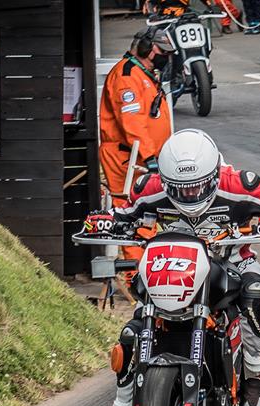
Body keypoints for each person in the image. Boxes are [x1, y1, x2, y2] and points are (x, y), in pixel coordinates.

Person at [88, 129, 260, 406]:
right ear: (164, 181)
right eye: (180, 189)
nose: (190, 194)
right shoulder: (148, 188)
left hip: (231, 259)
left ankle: (255, 385)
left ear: (213, 176)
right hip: (172, 265)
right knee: (130, 336)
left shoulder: (240, 183)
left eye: (196, 186)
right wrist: (105, 221)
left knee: (257, 299)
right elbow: (124, 214)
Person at [99, 26, 175, 262]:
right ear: (146, 49)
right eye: (161, 52)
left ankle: (149, 264)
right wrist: (150, 157)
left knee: (150, 213)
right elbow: (132, 123)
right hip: (128, 160)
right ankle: (136, 272)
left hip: (143, 158)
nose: (165, 57)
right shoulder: (127, 77)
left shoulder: (143, 73)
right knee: (132, 214)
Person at [144, 0, 241, 34]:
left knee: (202, 34)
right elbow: (149, 3)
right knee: (152, 38)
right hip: (164, 19)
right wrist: (152, 15)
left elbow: (206, 1)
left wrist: (211, 7)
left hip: (185, 16)